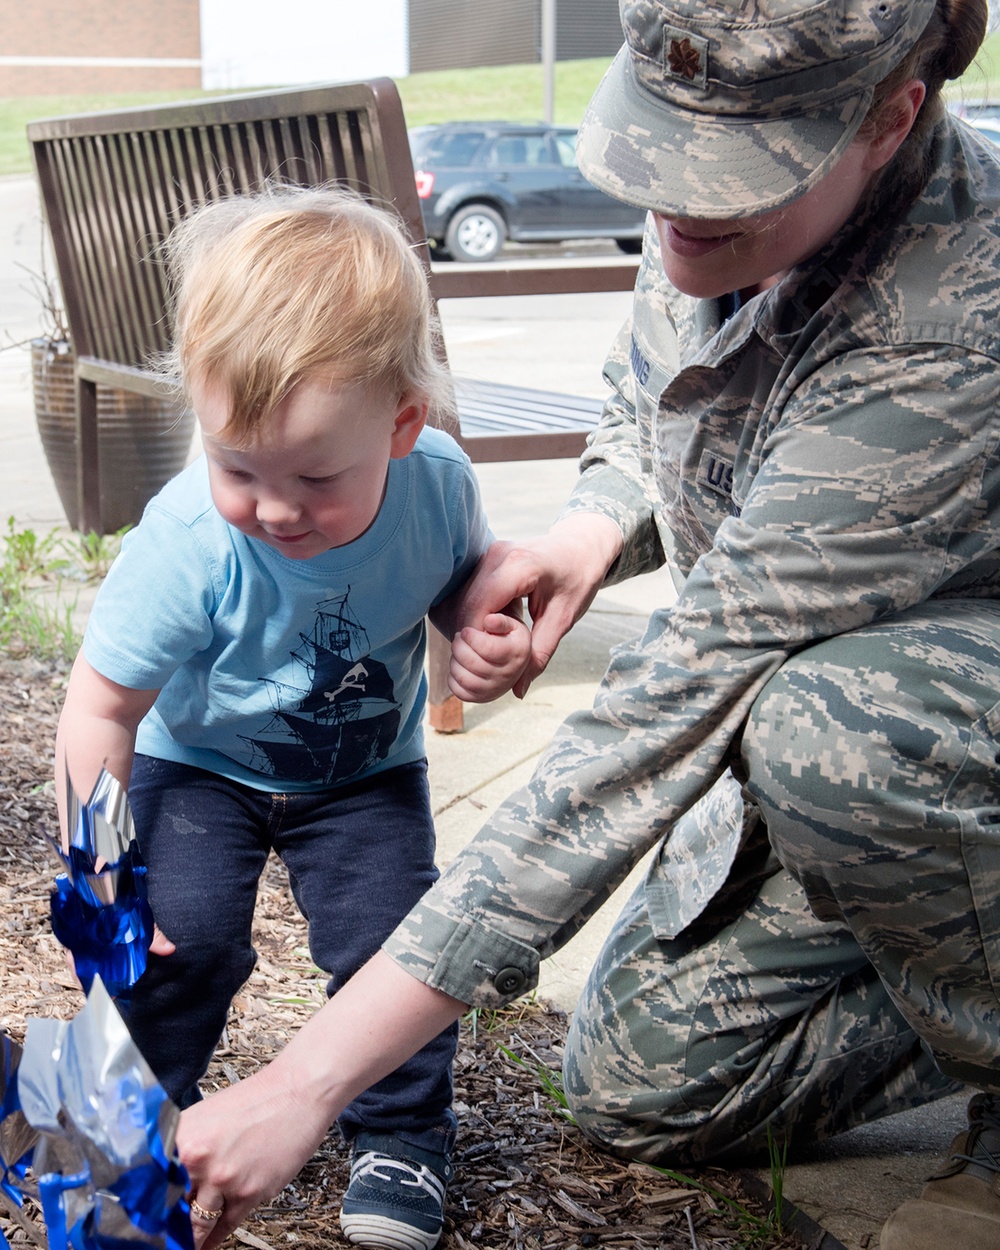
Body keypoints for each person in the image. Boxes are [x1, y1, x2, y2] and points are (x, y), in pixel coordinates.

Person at [172, 3, 1000, 1249]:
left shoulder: (950, 325)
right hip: (889, 786)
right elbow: (649, 392)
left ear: (891, 114)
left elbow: (665, 715)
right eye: (660, 156)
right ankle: (947, 955)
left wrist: (307, 1078)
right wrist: (587, 536)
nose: (676, 203)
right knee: (644, 1083)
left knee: (833, 720)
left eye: (723, 185)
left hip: (916, 727)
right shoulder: (737, 196)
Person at [54, 186, 531, 1250]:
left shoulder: (439, 484)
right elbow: (101, 702)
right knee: (177, 940)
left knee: (395, 944)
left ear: (404, 423)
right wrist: (100, 869)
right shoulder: (189, 536)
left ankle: (403, 1133)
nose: (274, 508)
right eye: (238, 468)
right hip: (198, 765)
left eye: (316, 474)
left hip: (361, 773)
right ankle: (117, 1124)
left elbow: (447, 582)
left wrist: (474, 625)